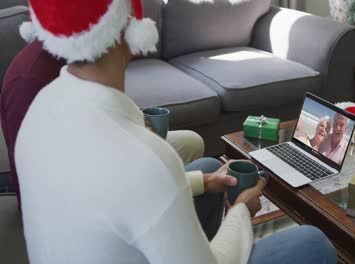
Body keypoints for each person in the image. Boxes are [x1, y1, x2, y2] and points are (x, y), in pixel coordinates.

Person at [14, 1, 337, 263]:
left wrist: (202, 182)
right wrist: (241, 213)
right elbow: (133, 183)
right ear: (128, 26)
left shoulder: (42, 105)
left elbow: (105, 193)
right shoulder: (145, 159)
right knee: (311, 242)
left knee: (209, 170)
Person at [0, 41, 204, 212]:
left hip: (98, 155)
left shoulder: (77, 53)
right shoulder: (29, 82)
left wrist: (132, 125)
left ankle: (176, 202)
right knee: (206, 172)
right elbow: (49, 179)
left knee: (191, 142)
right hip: (69, 199)